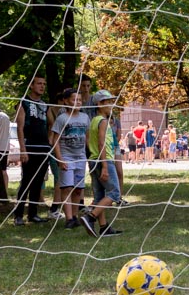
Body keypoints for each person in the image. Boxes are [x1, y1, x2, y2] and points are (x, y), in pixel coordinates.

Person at [79, 90, 124, 237]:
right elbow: (101, 142)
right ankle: (90, 216)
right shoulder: (103, 121)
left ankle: (104, 227)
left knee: (99, 196)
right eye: (108, 102)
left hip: (94, 160)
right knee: (115, 193)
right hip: (103, 160)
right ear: (99, 104)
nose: (111, 105)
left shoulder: (93, 120)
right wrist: (105, 165)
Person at [13, 75, 51, 225]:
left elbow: (52, 124)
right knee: (27, 181)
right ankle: (18, 215)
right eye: (39, 83)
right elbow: (20, 128)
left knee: (38, 181)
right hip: (29, 147)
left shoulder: (45, 105)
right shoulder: (24, 103)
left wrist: (50, 141)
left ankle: (33, 214)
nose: (42, 86)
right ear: (31, 85)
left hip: (43, 148)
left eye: (44, 84)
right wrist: (23, 149)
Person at [50, 87, 89, 229]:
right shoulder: (62, 118)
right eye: (74, 99)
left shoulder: (85, 117)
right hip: (66, 156)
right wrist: (60, 158)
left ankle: (75, 216)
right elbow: (55, 140)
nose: (78, 102)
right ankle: (68, 218)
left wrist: (89, 153)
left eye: (79, 100)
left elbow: (87, 137)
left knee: (78, 188)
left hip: (80, 157)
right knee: (67, 187)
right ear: (66, 101)